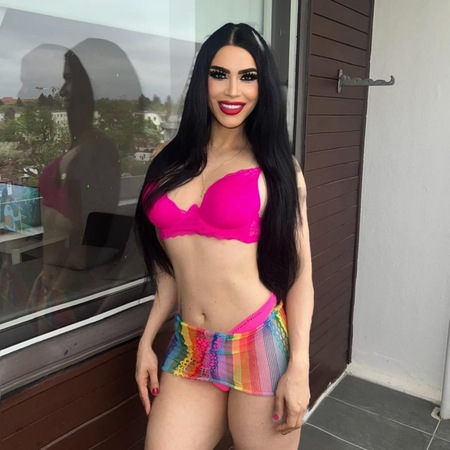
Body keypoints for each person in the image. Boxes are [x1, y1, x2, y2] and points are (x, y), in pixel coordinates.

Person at [135, 23, 314, 450]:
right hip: (190, 346)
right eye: (220, 74)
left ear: (262, 86)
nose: (233, 90)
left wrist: (299, 367)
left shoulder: (278, 169)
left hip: (258, 343)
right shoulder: (167, 160)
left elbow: (301, 275)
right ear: (203, 79)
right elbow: (171, 268)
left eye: (247, 77)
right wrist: (147, 339)